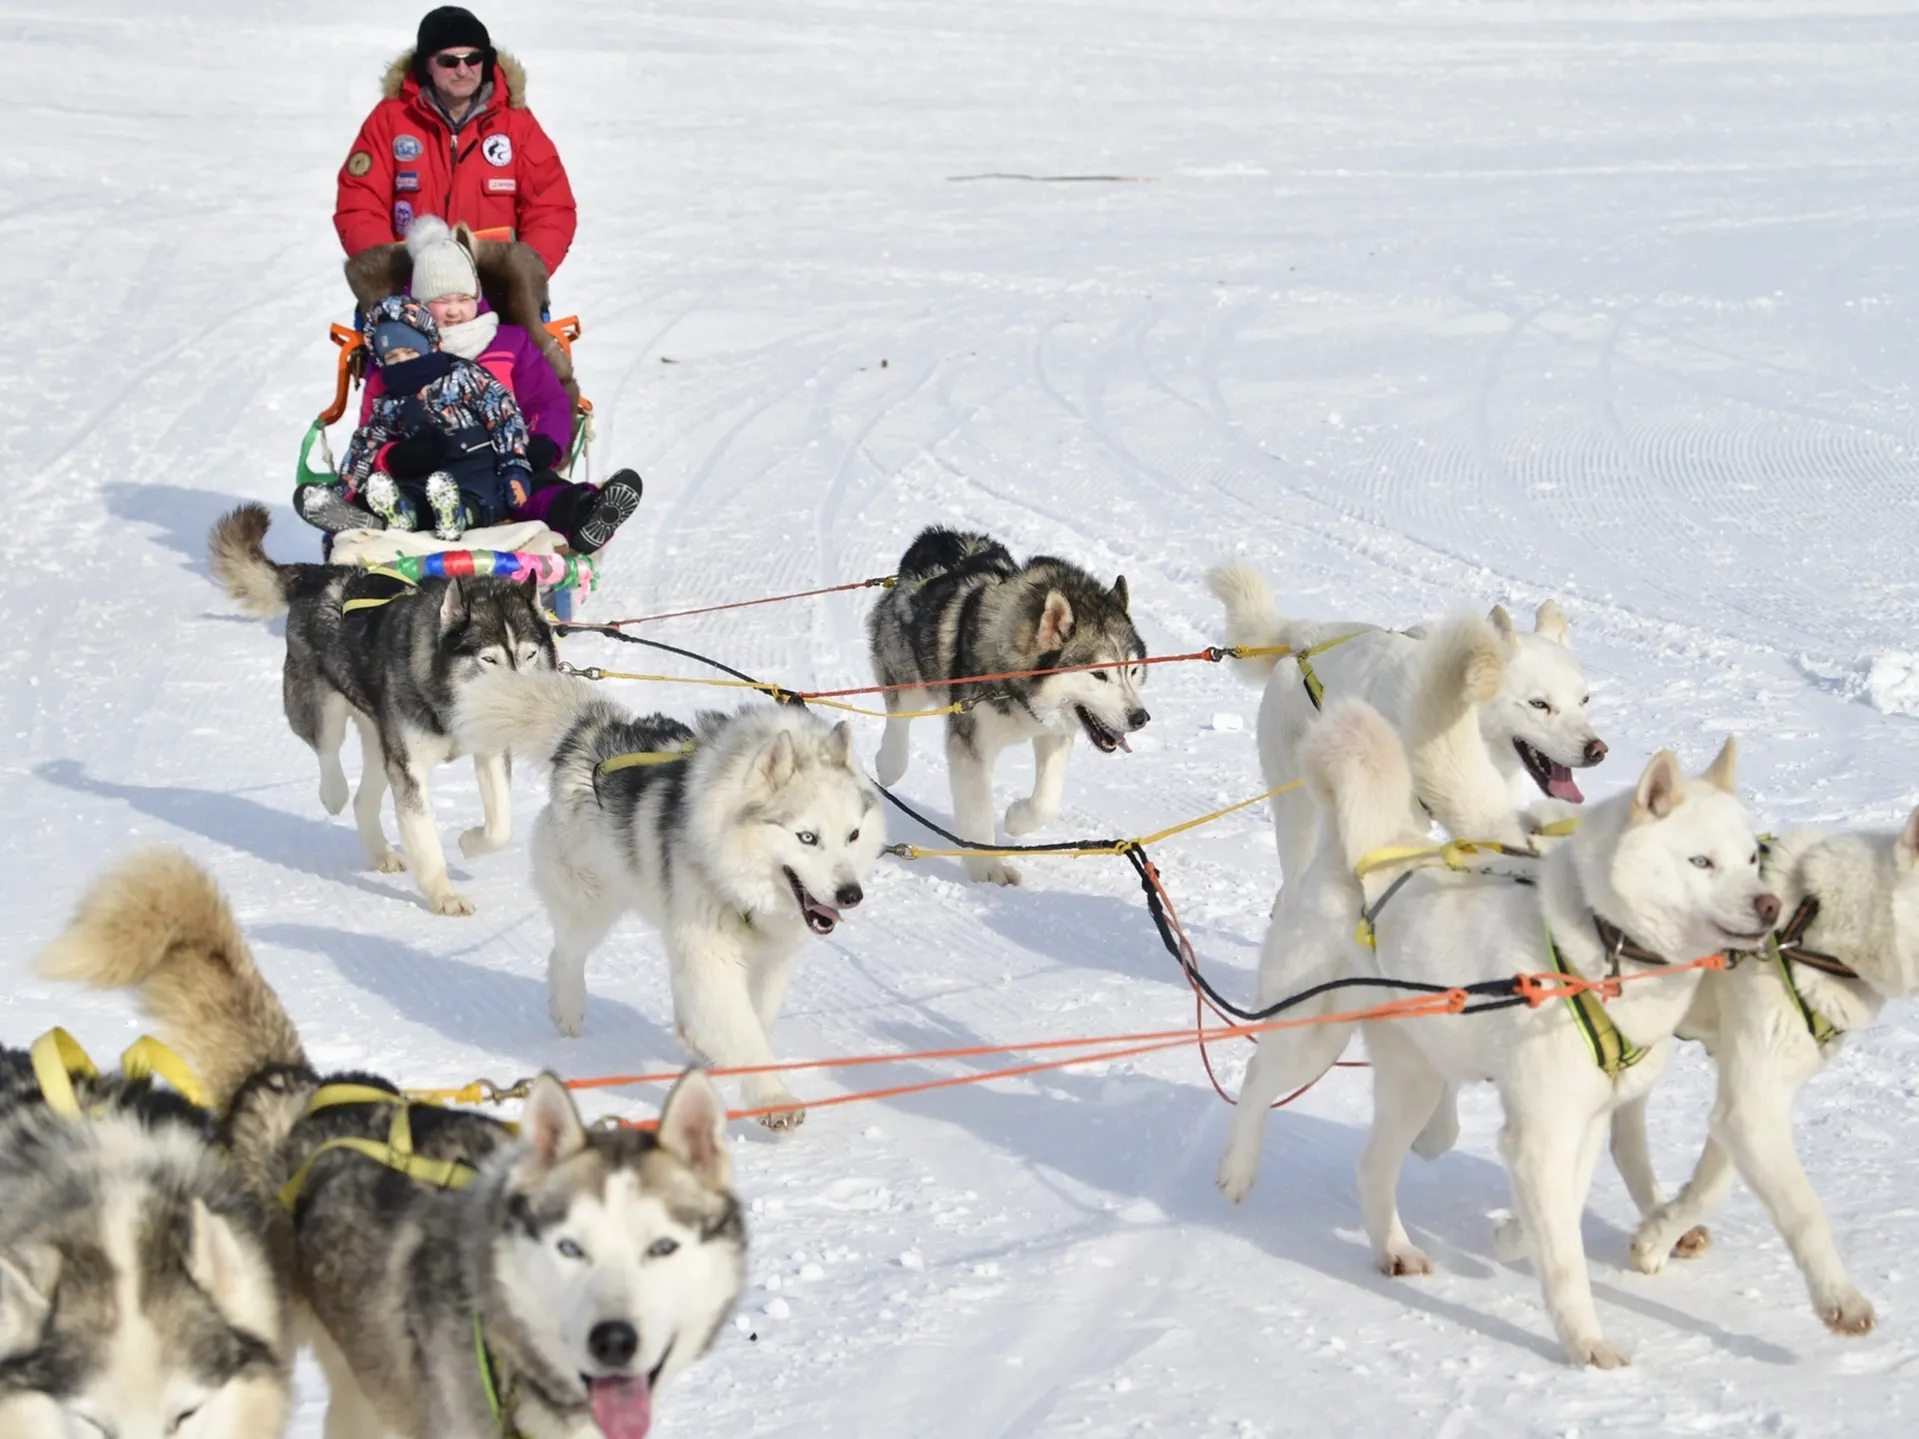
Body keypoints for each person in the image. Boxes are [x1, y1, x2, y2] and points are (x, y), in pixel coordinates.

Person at [352, 216, 644, 553]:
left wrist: (543, 442)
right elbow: (371, 429)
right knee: (396, 493)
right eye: (441, 301)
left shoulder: (509, 342)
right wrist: (397, 457)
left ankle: (584, 514)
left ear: (476, 294)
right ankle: (368, 524)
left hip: (508, 458)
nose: (453, 312)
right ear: (419, 303)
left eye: (462, 298)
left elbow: (547, 400)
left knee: (538, 491)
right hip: (429, 470)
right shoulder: (398, 355)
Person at [334, 7, 577, 277]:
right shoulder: (390, 120)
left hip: (497, 287)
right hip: (409, 285)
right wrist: (391, 274)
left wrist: (524, 273)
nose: (463, 70)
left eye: (472, 58)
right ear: (426, 64)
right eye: (449, 61)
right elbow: (359, 203)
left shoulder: (517, 125)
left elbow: (550, 207)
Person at [340, 296, 534, 540]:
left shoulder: (463, 376)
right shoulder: (390, 401)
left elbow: (504, 416)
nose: (402, 363)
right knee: (411, 491)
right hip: (427, 474)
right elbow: (366, 443)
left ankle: (459, 515)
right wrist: (345, 490)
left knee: (482, 496)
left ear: (428, 346)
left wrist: (514, 466)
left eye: (410, 352)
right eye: (392, 358)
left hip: (476, 464)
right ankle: (403, 512)